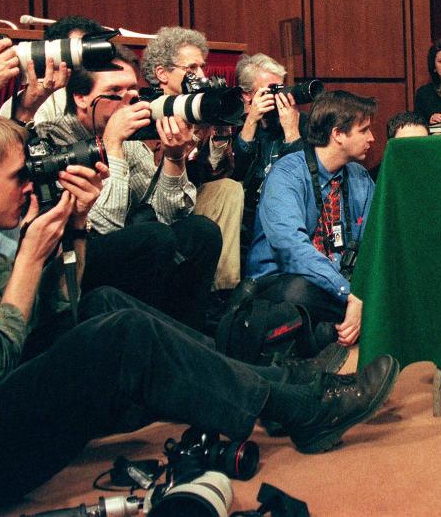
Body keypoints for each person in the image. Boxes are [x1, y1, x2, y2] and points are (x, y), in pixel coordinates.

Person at [0, 110, 399, 515]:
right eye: (18, 177)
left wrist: (75, 231)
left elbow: (59, 308)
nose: (28, 187)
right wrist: (33, 256)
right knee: (123, 335)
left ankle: (283, 384)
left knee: (103, 305)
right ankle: (300, 406)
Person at [34, 45, 221, 330]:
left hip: (128, 251)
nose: (129, 99)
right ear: (81, 97)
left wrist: (173, 159)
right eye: (115, 91)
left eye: (133, 90)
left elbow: (169, 215)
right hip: (71, 258)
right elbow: (102, 226)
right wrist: (112, 145)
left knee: (201, 231)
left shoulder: (129, 138)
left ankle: (189, 336)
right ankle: (155, 337)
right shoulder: (55, 138)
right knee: (153, 238)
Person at [246, 90, 377, 347]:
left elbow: (373, 242)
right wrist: (349, 295)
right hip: (281, 283)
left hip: (338, 284)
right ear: (337, 134)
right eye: (364, 130)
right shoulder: (287, 174)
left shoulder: (360, 177)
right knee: (298, 291)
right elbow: (291, 250)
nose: (372, 138)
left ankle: (335, 329)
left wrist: (360, 294)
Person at [141, 26, 245, 294]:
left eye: (202, 67)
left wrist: (220, 128)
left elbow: (216, 171)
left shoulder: (197, 109)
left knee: (229, 188)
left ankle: (223, 291)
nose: (200, 75)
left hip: (190, 201)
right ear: (161, 74)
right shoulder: (146, 111)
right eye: (191, 68)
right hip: (154, 212)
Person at [230, 53, 310, 265]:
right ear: (248, 96)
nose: (278, 97)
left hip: (288, 213)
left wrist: (291, 130)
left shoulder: (304, 124)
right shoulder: (235, 125)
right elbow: (236, 172)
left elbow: (301, 176)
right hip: (248, 216)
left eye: (281, 88)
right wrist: (251, 121)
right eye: (271, 91)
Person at [0, 15, 105, 123]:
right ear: (53, 53)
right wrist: (26, 111)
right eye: (77, 51)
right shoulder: (31, 100)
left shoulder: (107, 93)